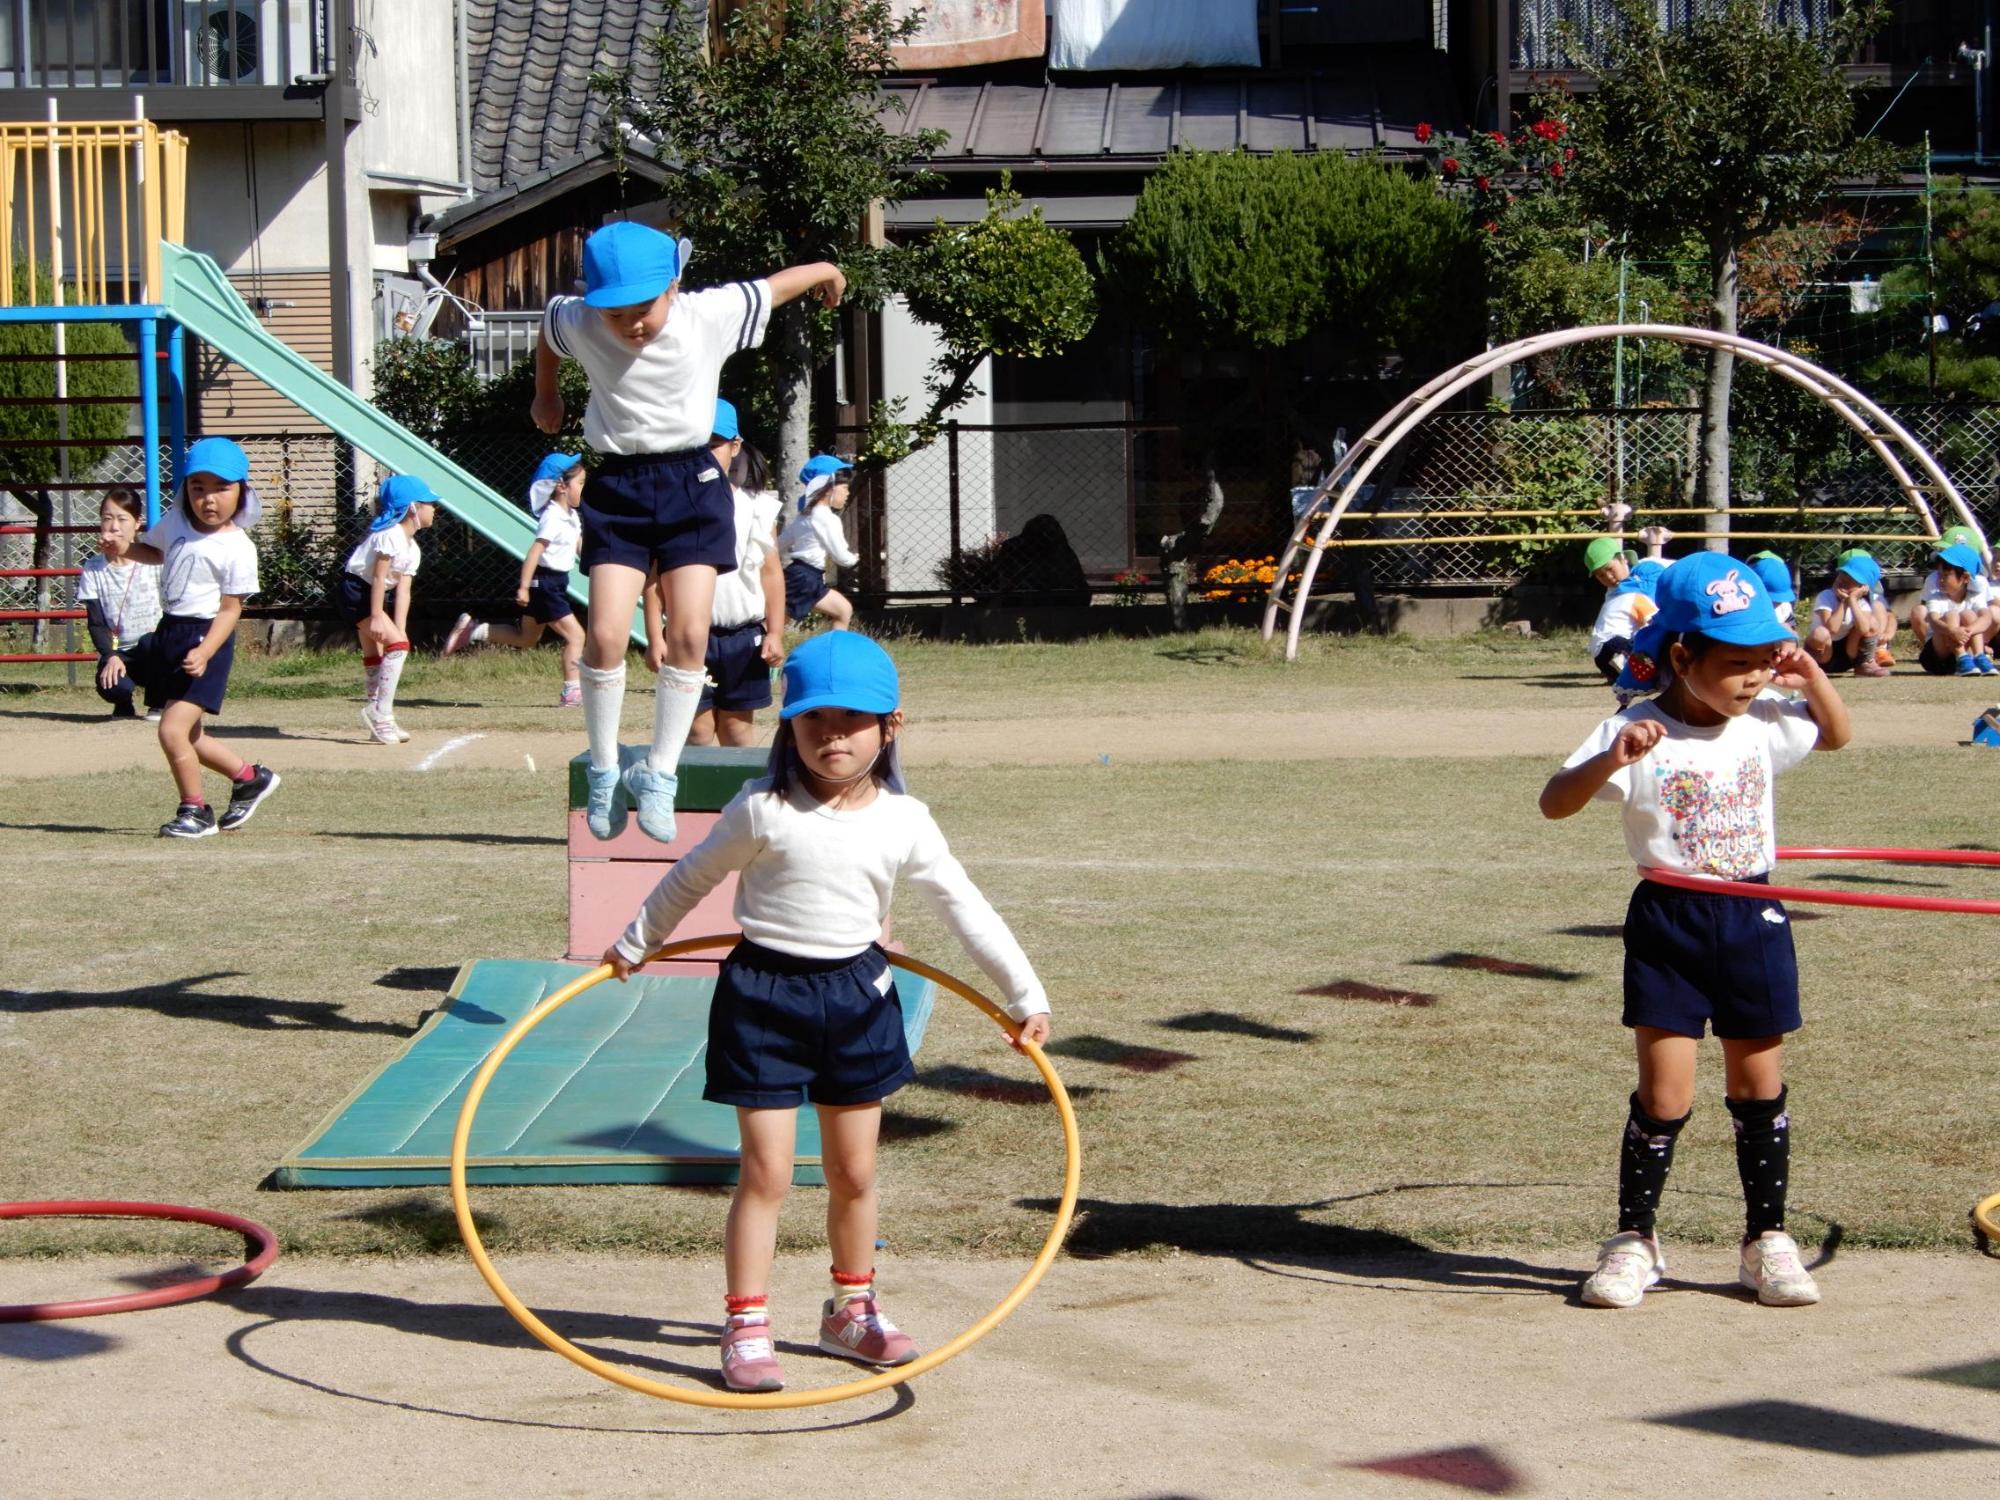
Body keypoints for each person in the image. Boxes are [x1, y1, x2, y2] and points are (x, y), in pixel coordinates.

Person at [600, 631, 1053, 1392]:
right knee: (768, 1173)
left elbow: (963, 907)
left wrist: (1024, 994)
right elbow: (687, 878)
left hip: (856, 1000)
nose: (833, 736)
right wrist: (635, 942)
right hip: (762, 999)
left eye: (853, 720)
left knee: (854, 1170)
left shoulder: (905, 821)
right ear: (790, 727)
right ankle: (746, 1324)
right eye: (814, 721)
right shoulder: (763, 810)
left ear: (892, 726)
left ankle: (851, 1309)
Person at [1540, 553, 1851, 1310]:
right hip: (1669, 921)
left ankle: (1765, 1240)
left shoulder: (1766, 720)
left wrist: (1813, 678)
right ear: (1683, 655)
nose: (1754, 678)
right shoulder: (1636, 727)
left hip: (1752, 914)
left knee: (1758, 1085)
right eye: (1737, 663)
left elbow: (1837, 737)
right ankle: (1634, 1241)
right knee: (1665, 1093)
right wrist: (1610, 760)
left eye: (1763, 660)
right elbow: (1554, 802)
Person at [532, 219, 847, 844]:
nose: (632, 324)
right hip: (618, 484)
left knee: (691, 634)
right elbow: (547, 328)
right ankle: (602, 768)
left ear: (673, 284)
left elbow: (774, 285)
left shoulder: (707, 314)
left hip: (692, 485)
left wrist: (827, 271)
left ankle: (662, 773)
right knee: (604, 634)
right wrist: (548, 398)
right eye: (615, 312)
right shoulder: (581, 320)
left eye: (643, 308)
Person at [122, 437, 280, 838]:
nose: (208, 499)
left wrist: (206, 650)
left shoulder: (238, 548)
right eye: (198, 487)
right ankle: (249, 777)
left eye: (221, 488)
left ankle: (195, 811)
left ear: (242, 491)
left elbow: (231, 609)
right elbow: (155, 553)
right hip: (170, 633)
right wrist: (124, 547)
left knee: (171, 730)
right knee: (190, 734)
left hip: (205, 639)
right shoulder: (175, 522)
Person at [645, 403, 784, 748]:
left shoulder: (756, 508)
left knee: (737, 733)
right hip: (687, 638)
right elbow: (654, 582)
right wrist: (654, 637)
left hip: (743, 639)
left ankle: (737, 802)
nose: (704, 454)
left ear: (735, 446)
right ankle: (689, 802)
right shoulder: (666, 507)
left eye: (713, 445)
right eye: (696, 445)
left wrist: (776, 632)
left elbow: (771, 574)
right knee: (696, 731)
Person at [442, 453, 588, 706]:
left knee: (526, 638)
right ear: (562, 486)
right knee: (576, 637)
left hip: (555, 583)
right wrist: (524, 586)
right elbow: (534, 552)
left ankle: (474, 630)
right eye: (581, 483)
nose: (583, 489)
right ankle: (571, 691)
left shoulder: (571, 516)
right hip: (545, 584)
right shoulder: (552, 517)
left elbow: (579, 547)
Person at [336, 474, 440, 744]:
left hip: (369, 594)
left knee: (381, 652)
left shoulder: (412, 547)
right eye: (429, 503)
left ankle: (379, 721)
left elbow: (403, 591)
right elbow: (379, 578)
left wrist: (400, 629)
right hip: (357, 592)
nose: (434, 509)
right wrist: (378, 615)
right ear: (412, 507)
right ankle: (381, 714)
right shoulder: (390, 534)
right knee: (397, 649)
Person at [77, 487, 162, 720]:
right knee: (112, 685)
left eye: (122, 518)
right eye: (107, 518)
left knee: (150, 642)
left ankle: (158, 702)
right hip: (120, 650)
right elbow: (96, 622)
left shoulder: (154, 559)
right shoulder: (93, 567)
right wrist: (109, 655)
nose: (114, 526)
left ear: (137, 523)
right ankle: (123, 703)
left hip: (153, 647)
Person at [778, 454, 859, 630]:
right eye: (844, 487)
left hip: (800, 575)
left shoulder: (804, 517)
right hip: (805, 580)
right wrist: (855, 559)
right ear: (828, 487)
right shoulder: (827, 519)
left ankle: (835, 652)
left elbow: (778, 545)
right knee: (776, 622)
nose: (848, 493)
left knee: (843, 610)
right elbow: (841, 556)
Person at [1911, 540, 1997, 676]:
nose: (1940, 579)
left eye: (1946, 575)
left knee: (1969, 615)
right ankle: (1961, 657)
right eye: (1939, 574)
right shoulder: (1936, 598)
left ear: (1965, 577)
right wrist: (1952, 631)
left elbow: (1986, 618)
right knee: (1952, 615)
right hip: (1938, 657)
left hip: (1967, 652)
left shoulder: (1975, 597)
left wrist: (1967, 631)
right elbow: (1933, 621)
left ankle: (1979, 656)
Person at [1804, 551, 1893, 677]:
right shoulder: (1826, 596)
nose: (1844, 579)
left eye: (1852, 579)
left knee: (1871, 623)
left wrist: (1852, 600)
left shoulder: (1861, 604)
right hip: (1823, 655)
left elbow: (1864, 629)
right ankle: (1810, 667)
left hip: (1848, 654)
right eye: (1843, 573)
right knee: (1821, 633)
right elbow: (1832, 629)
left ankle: (1864, 664)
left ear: (1863, 587)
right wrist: (1844, 603)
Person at [1585, 536, 1656, 683]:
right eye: (1601, 575)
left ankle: (1619, 674)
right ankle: (1632, 668)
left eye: (1610, 569)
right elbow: (1654, 621)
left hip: (1600, 656)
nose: (1608, 577)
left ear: (1623, 558)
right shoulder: (1635, 594)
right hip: (1616, 644)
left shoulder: (1613, 596)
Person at [1746, 552, 1798, 632]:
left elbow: (1792, 632)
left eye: (1779, 600)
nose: (1777, 603)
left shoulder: (1784, 608)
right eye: (1773, 600)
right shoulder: (1742, 608)